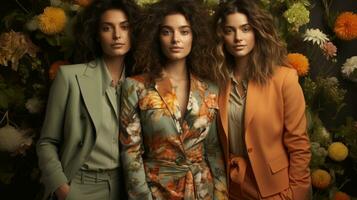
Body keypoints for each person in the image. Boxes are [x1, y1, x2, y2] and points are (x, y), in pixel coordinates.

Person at [119, 0, 228, 199]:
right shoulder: (136, 87)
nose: (175, 39)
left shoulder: (210, 89)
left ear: (195, 36)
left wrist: (221, 195)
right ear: (156, 37)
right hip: (156, 190)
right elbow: (131, 152)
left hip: (202, 191)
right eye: (167, 32)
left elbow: (212, 150)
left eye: (184, 31)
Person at [36, 0, 139, 199]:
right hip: (80, 186)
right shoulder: (70, 78)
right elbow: (46, 142)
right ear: (96, 34)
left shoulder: (140, 84)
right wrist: (62, 188)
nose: (117, 35)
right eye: (107, 28)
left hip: (127, 188)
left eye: (124, 27)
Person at [213, 0, 311, 199]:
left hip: (274, 189)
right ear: (221, 36)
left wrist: (295, 194)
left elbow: (299, 146)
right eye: (229, 30)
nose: (238, 37)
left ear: (257, 31)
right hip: (230, 188)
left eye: (245, 29)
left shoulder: (284, 79)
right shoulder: (216, 81)